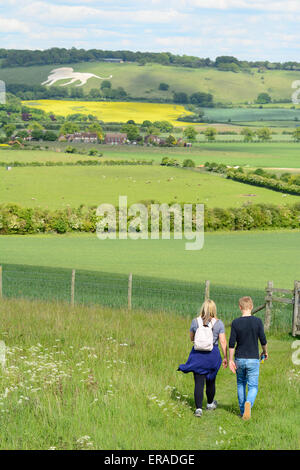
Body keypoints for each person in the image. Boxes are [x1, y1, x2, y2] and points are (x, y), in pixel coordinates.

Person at [178, 299, 228, 417]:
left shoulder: (195, 322)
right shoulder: (219, 323)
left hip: (197, 355)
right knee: (211, 381)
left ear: (203, 308)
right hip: (213, 356)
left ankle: (198, 409)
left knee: (198, 382)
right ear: (214, 309)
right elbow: (223, 341)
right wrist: (226, 357)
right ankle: (210, 404)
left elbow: (191, 338)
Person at [229, 296, 268, 421]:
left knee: (241, 383)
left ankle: (242, 412)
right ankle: (249, 404)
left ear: (240, 307)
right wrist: (265, 351)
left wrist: (230, 359)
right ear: (251, 307)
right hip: (253, 359)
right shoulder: (257, 322)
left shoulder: (235, 322)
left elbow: (231, 344)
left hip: (239, 358)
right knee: (253, 386)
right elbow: (263, 340)